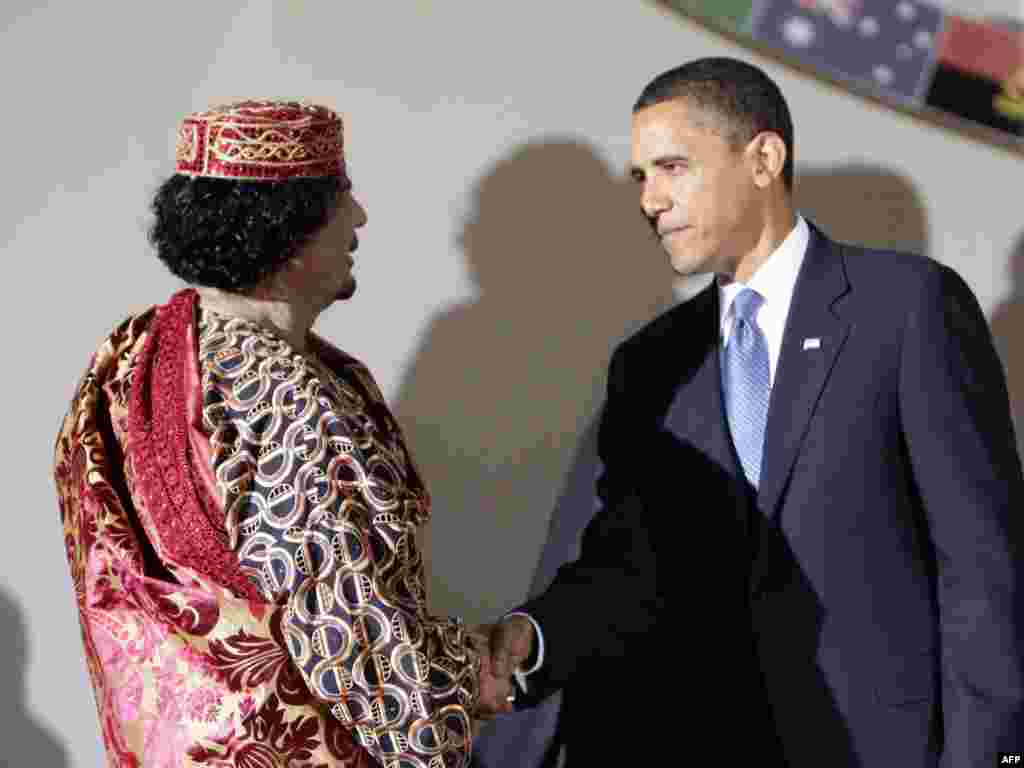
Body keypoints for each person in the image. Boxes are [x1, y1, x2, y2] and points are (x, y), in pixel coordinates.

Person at [487, 57, 1024, 767]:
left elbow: (983, 571)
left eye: (673, 167)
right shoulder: (650, 363)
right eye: (641, 178)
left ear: (764, 158)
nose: (651, 199)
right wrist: (537, 636)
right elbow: (625, 566)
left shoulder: (906, 308)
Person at [53, 99, 512, 768]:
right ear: (286, 224)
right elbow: (360, 652)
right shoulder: (296, 403)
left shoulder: (138, 354)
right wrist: (476, 674)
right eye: (340, 196)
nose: (358, 217)